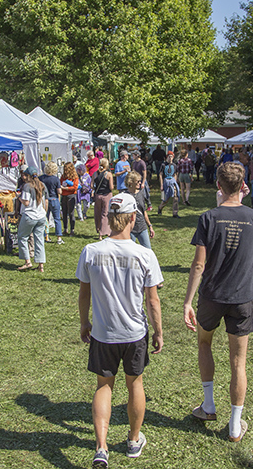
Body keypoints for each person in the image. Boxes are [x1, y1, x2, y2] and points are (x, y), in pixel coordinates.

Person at [182, 162, 253, 443]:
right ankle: (234, 425)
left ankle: (208, 405)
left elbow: (199, 265)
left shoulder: (209, 217)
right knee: (238, 361)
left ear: (218, 186)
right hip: (242, 297)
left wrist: (187, 301)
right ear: (243, 185)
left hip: (211, 296)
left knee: (204, 344)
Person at [77, 193, 163, 468]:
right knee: (134, 384)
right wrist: (159, 332)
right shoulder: (145, 254)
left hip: (103, 333)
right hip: (134, 333)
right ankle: (133, 439)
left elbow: (83, 294)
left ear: (110, 218)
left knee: (104, 386)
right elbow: (152, 300)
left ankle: (101, 447)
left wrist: (84, 322)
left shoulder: (91, 251)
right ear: (133, 218)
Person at [16, 167, 48, 272]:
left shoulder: (27, 186)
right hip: (41, 215)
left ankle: (27, 261)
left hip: (30, 214)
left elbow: (26, 202)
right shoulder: (42, 185)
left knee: (22, 237)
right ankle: (41, 265)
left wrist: (18, 197)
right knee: (39, 240)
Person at [125, 171, 154, 249]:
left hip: (142, 227)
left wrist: (150, 226)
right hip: (130, 229)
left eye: (140, 181)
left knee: (148, 251)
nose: (140, 183)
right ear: (131, 182)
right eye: (137, 181)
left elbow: (144, 211)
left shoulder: (141, 193)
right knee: (130, 253)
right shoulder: (125, 196)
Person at [40, 162, 64, 244]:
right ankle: (59, 238)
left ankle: (45, 236)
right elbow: (59, 191)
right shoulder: (56, 179)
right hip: (54, 199)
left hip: (44, 199)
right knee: (57, 219)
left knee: (44, 218)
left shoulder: (41, 178)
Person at [93, 158, 114, 241]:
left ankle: (98, 228)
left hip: (98, 195)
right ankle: (103, 232)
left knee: (97, 213)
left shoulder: (95, 173)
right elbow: (111, 187)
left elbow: (92, 185)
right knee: (105, 214)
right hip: (106, 195)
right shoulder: (108, 174)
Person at [157, 152, 179, 218]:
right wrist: (161, 185)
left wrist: (175, 181)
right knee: (166, 199)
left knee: (175, 197)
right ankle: (160, 208)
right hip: (166, 182)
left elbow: (175, 174)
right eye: (169, 156)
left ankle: (175, 213)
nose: (170, 158)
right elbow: (160, 175)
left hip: (172, 182)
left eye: (171, 156)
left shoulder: (174, 165)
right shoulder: (163, 165)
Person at [60, 162, 79, 236]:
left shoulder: (74, 177)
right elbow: (60, 183)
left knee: (71, 213)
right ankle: (65, 229)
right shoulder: (63, 177)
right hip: (63, 196)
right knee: (64, 213)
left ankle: (72, 230)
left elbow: (75, 187)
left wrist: (66, 188)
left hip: (71, 196)